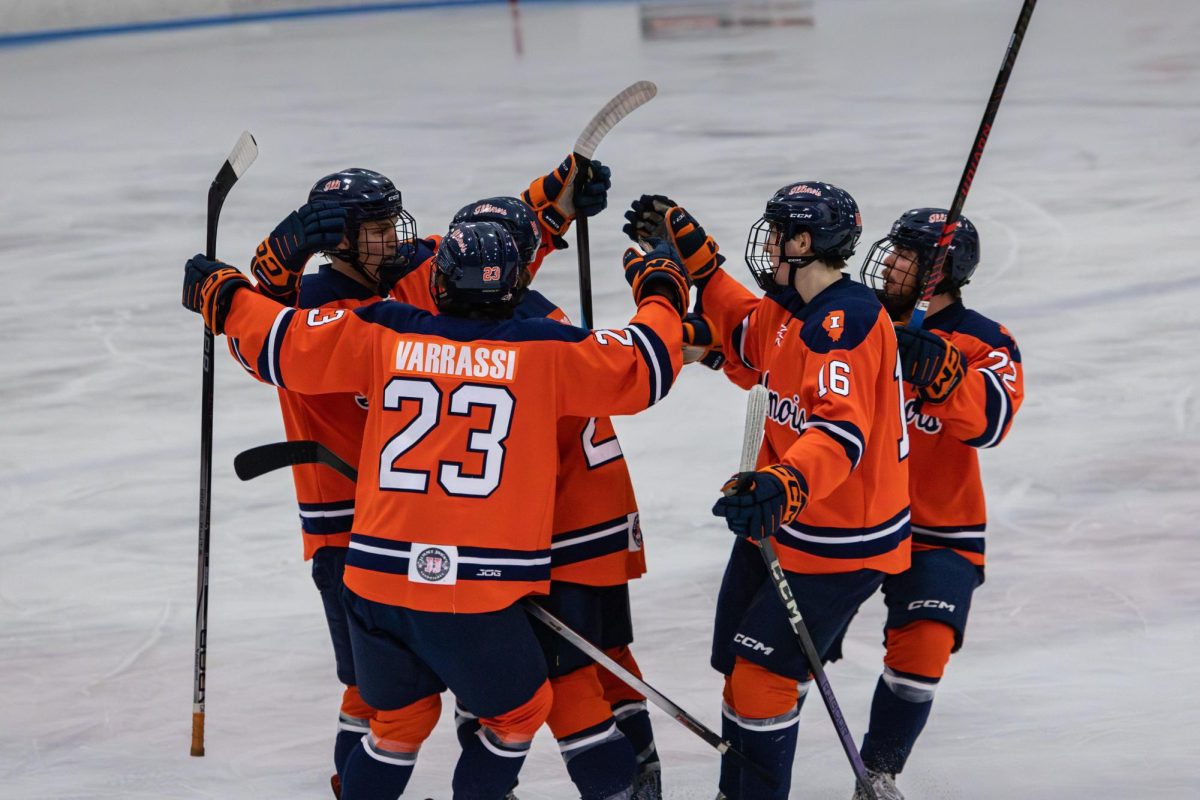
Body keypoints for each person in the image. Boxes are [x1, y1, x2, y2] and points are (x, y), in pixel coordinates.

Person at [184, 219, 688, 800]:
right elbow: (648, 361)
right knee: (520, 713)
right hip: (469, 592)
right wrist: (661, 289)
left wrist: (224, 294)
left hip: (371, 581)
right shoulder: (545, 352)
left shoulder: (382, 329)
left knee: (398, 723)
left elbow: (280, 344)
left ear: (441, 284)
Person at [239, 158, 609, 796]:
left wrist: (552, 203)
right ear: (340, 239)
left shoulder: (410, 271)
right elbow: (263, 341)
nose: (397, 236)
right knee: (378, 700)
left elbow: (487, 259)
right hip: (350, 528)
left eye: (392, 221)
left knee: (441, 697)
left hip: (433, 525)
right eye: (379, 227)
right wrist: (272, 268)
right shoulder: (313, 308)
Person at [624, 182, 911, 799]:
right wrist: (700, 267)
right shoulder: (793, 308)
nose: (770, 244)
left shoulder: (846, 321)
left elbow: (840, 432)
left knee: (760, 679)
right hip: (783, 517)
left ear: (805, 243)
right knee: (739, 669)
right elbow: (747, 335)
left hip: (840, 533)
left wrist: (786, 481)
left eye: (780, 234)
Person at [449, 198, 663, 800]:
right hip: (602, 516)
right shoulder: (544, 319)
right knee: (609, 658)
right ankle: (644, 778)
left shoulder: (509, 335)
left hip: (554, 530)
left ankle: (614, 789)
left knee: (546, 677)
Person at [851, 209, 1024, 800]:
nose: (892, 261)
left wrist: (946, 375)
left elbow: (994, 419)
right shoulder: (853, 318)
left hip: (939, 526)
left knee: (924, 645)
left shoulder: (984, 338)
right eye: (894, 249)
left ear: (942, 273)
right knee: (787, 657)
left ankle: (878, 773)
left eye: (909, 255)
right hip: (847, 519)